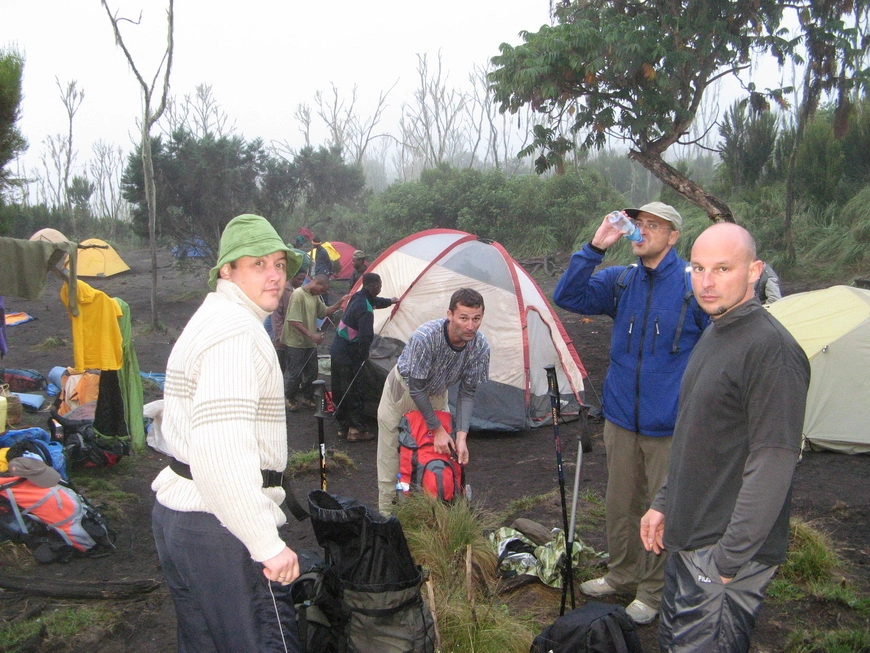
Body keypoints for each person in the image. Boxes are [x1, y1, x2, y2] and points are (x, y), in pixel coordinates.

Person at [640, 222, 810, 651]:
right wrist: (664, 503)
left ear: (754, 271)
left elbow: (774, 462)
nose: (707, 282)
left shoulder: (771, 350)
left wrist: (728, 560)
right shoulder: (718, 330)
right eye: (697, 268)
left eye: (722, 268)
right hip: (688, 535)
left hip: (721, 553)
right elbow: (699, 435)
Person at [151, 213, 303, 652]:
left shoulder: (212, 317)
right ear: (227, 270)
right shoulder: (235, 333)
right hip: (218, 527)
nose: (274, 276)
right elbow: (220, 453)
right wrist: (265, 543)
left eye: (279, 264)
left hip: (182, 517)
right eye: (258, 264)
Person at [552, 201, 709, 625]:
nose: (642, 231)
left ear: (674, 236)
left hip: (670, 423)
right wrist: (595, 247)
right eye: (639, 224)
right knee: (621, 503)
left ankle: (652, 591)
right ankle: (622, 574)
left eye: (654, 226)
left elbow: (718, 348)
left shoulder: (692, 286)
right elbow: (567, 296)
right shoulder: (622, 282)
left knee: (659, 511)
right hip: (621, 418)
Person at [375, 288, 490, 514]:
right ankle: (388, 522)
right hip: (403, 392)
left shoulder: (480, 346)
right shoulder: (426, 337)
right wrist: (436, 428)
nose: (470, 326)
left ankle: (433, 520)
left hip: (437, 394)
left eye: (476, 319)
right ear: (450, 314)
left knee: (438, 457)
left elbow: (467, 393)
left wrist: (462, 435)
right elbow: (416, 389)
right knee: (391, 465)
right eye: (464, 318)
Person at [329, 272, 398, 442]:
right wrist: (363, 356)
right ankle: (356, 429)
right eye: (380, 285)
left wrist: (390, 301)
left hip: (337, 349)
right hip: (349, 355)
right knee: (355, 390)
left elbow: (376, 301)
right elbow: (366, 337)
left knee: (340, 387)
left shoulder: (358, 297)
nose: (380, 288)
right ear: (374, 286)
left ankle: (342, 426)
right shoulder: (366, 310)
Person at [281, 274, 346, 412]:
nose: (322, 293)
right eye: (322, 290)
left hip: (309, 342)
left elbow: (324, 312)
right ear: (316, 283)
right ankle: (289, 397)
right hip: (295, 341)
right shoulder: (298, 294)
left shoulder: (314, 296)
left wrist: (340, 302)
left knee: (312, 372)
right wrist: (312, 335)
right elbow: (293, 320)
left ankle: (306, 396)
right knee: (295, 373)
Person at [271, 268, 307, 374]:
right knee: (280, 367)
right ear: (291, 277)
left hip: (296, 338)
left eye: (303, 279)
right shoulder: (282, 291)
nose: (301, 282)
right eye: (299, 279)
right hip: (282, 337)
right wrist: (280, 337)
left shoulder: (302, 291)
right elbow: (276, 317)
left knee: (295, 367)